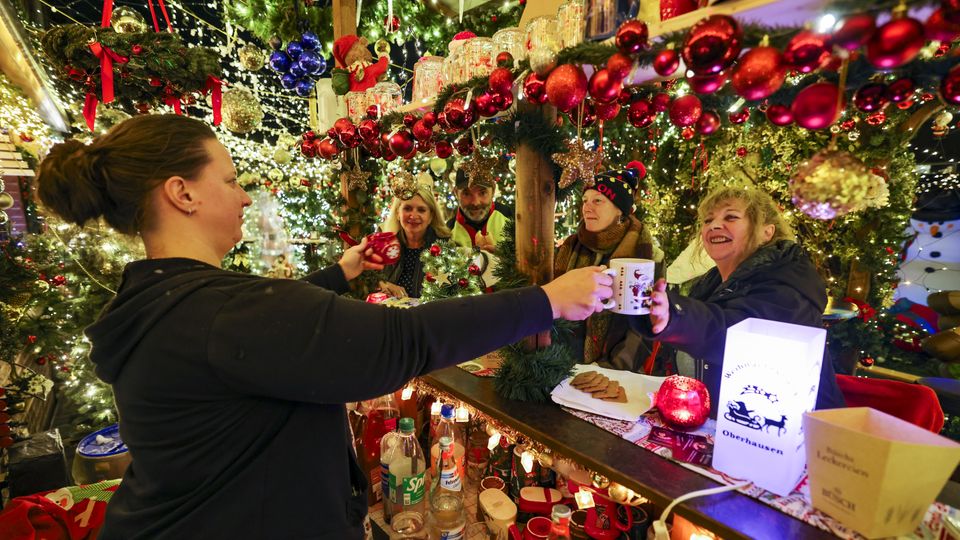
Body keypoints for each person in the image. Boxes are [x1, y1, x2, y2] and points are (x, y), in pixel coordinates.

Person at [35, 114, 612, 539]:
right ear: (181, 192)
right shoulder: (219, 311)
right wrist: (545, 301)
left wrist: (339, 273)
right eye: (231, 179)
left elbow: (258, 332)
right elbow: (401, 340)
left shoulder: (165, 299)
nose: (243, 195)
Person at [635, 185, 845, 413]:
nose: (714, 225)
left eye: (731, 217)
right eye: (708, 220)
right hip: (724, 427)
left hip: (803, 438)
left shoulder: (787, 285)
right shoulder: (711, 282)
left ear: (767, 232)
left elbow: (737, 335)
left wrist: (675, 316)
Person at [555, 168, 655, 368]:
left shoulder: (645, 255)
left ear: (620, 209)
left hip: (616, 370)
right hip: (563, 364)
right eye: (585, 200)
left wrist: (612, 369)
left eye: (597, 201)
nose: (587, 208)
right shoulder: (569, 247)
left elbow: (644, 327)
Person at [380, 178, 451, 298]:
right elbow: (369, 279)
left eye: (421, 210)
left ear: (431, 216)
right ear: (398, 213)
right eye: (407, 208)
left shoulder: (446, 248)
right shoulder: (386, 246)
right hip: (393, 314)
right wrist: (384, 284)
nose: (413, 215)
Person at [446, 167, 511, 252]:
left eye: (482, 193)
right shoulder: (447, 232)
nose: (475, 203)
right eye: (466, 194)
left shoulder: (512, 219)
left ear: (493, 191)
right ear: (456, 193)